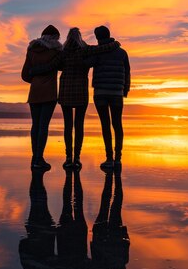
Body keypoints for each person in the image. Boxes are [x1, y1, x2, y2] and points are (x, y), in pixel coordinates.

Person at [30, 28, 120, 169]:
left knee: (68, 126)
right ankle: (77, 158)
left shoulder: (63, 53)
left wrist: (34, 71)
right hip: (81, 94)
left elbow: (51, 66)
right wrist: (115, 45)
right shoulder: (85, 50)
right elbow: (102, 48)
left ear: (67, 37)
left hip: (65, 93)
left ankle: (68, 158)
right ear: (79, 37)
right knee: (79, 126)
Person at [84, 26, 130, 169]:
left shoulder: (97, 53)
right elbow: (127, 73)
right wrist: (125, 90)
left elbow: (86, 63)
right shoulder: (122, 52)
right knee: (117, 124)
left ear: (97, 37)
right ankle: (118, 159)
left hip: (101, 93)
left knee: (105, 125)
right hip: (117, 93)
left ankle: (109, 158)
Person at [21, 25, 62, 170]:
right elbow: (62, 66)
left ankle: (34, 158)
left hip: (34, 92)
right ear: (55, 38)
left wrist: (36, 80)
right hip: (49, 93)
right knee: (43, 126)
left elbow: (25, 75)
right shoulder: (56, 51)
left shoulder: (31, 50)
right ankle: (39, 158)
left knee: (35, 125)